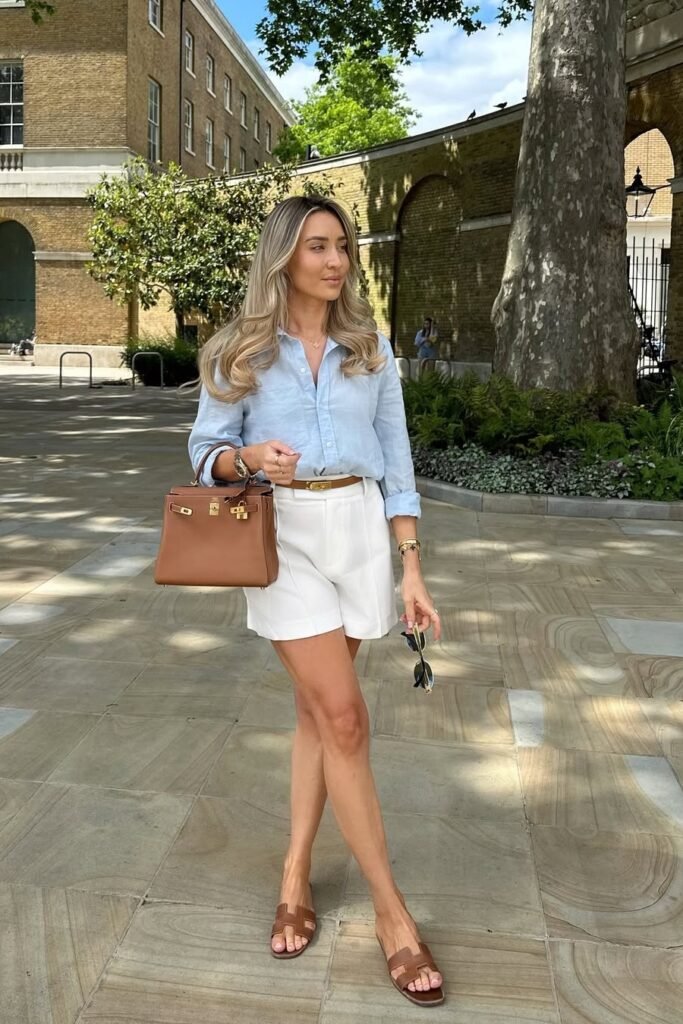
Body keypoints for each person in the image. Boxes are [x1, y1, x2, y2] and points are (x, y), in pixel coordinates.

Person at [188, 194, 444, 1007]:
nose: (335, 262)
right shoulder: (241, 351)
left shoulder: (370, 349)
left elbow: (398, 461)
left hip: (360, 529)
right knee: (343, 720)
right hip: (283, 535)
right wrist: (247, 456)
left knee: (313, 717)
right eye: (317, 248)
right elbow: (204, 453)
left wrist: (410, 566)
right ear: (283, 259)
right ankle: (392, 915)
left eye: (342, 247)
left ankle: (295, 870)